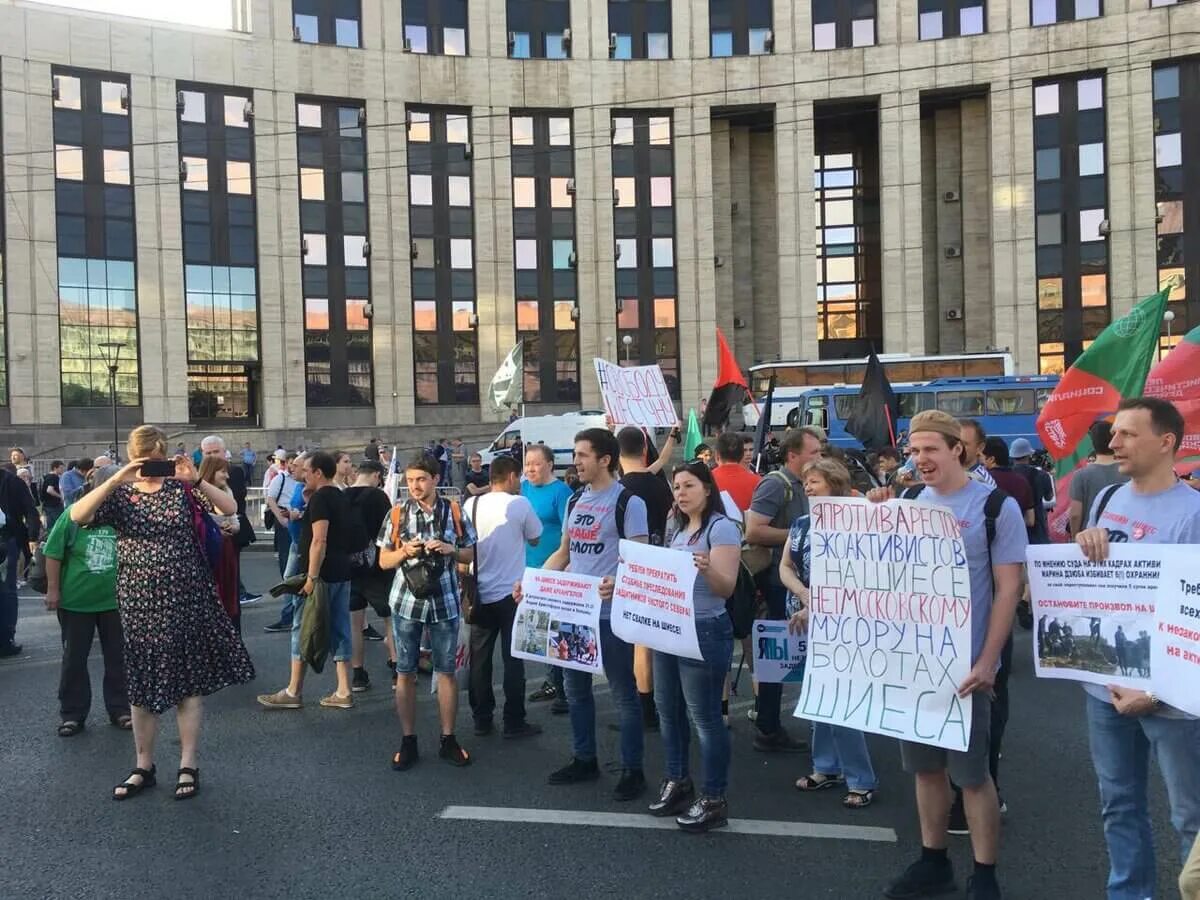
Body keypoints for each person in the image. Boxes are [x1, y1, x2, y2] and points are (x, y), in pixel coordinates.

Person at [877, 411, 1026, 900]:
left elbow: (1008, 590)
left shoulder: (994, 508)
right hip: (916, 666)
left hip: (967, 671)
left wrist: (988, 661)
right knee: (925, 770)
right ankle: (933, 860)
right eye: (914, 452)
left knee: (973, 778)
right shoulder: (909, 501)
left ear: (957, 449)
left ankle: (985, 875)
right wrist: (873, 515)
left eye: (930, 450)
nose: (920, 460)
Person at [69, 425, 253, 800]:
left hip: (187, 596)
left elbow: (230, 509)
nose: (153, 467)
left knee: (187, 684)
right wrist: (118, 477)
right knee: (140, 686)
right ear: (133, 457)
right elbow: (78, 515)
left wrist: (194, 479)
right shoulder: (120, 496)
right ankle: (143, 765)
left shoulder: (182, 489)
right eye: (145, 460)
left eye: (158, 460)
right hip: (139, 602)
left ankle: (188, 763)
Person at [1074, 397, 1200, 900]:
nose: (1113, 442)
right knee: (1118, 803)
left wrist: (1159, 689)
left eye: (1127, 434)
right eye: (1114, 433)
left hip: (1169, 695)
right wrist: (1085, 542)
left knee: (1189, 814)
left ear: (1166, 442)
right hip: (1106, 685)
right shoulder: (1107, 498)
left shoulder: (1193, 512)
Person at [534, 428, 650, 800]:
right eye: (576, 455)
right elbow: (564, 553)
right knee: (575, 689)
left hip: (610, 614)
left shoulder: (629, 503)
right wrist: (534, 584)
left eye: (583, 455)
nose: (576, 462)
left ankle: (633, 769)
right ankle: (584, 758)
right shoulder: (574, 502)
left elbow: (639, 560)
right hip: (575, 612)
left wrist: (617, 582)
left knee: (622, 692)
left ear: (605, 459)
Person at [781, 459, 878, 810]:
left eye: (815, 481)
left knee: (842, 704)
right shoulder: (801, 524)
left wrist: (817, 602)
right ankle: (826, 767)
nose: (808, 487)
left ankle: (861, 779)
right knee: (817, 697)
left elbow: (858, 578)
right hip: (806, 621)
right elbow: (786, 566)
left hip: (846, 626)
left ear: (835, 485)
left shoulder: (857, 524)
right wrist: (805, 596)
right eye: (806, 481)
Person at [650, 461, 739, 832]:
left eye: (688, 486)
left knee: (703, 719)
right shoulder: (678, 527)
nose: (681, 493)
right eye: (676, 487)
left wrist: (706, 569)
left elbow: (725, 588)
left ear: (706, 488)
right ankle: (679, 781)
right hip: (670, 628)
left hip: (704, 630)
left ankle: (714, 798)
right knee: (667, 710)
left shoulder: (722, 528)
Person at [378, 454, 477, 770]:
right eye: (409, 480)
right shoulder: (397, 514)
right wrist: (405, 551)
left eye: (421, 479)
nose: (415, 486)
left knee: (446, 671)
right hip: (407, 602)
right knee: (404, 672)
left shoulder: (455, 512)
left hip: (446, 601)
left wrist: (450, 550)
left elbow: (470, 553)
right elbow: (382, 561)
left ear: (435, 479)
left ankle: (448, 738)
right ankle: (408, 740)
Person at [258, 451, 357, 711]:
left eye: (306, 471)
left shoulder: (322, 498)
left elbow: (318, 539)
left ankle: (294, 690)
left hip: (320, 575)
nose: (302, 475)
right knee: (339, 628)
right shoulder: (340, 495)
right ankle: (344, 690)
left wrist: (311, 576)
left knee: (301, 627)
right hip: (341, 570)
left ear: (318, 473)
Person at [744, 426, 822, 752]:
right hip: (780, 585)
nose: (820, 457)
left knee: (793, 656)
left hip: (801, 584)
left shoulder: (805, 484)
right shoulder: (775, 485)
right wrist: (801, 536)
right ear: (793, 455)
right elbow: (754, 531)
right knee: (779, 657)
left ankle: (772, 723)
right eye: (814, 453)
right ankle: (768, 727)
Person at [44, 463, 128, 736]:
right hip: (76, 601)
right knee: (74, 659)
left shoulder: (124, 517)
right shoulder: (73, 514)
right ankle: (72, 713)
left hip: (116, 601)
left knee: (118, 658)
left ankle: (120, 709)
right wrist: (54, 589)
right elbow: (53, 553)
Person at [463, 455, 543, 738]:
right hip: (512, 593)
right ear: (510, 476)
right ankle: (514, 721)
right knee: (513, 660)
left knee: (480, 659)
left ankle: (482, 718)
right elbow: (535, 537)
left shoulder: (470, 504)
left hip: (479, 593)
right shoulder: (519, 504)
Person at [617, 425, 679, 731]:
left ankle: (645, 709)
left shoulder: (620, 492)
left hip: (632, 573)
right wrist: (670, 440)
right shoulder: (661, 484)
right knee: (664, 641)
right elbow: (656, 466)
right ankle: (668, 705)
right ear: (644, 450)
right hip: (665, 566)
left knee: (639, 645)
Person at [521, 445, 575, 714]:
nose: (530, 469)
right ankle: (552, 681)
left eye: (536, 464)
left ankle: (566, 688)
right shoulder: (524, 488)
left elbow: (571, 533)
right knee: (541, 629)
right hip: (529, 569)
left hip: (556, 570)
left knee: (559, 630)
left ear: (551, 465)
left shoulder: (562, 493)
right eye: (527, 463)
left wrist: (566, 565)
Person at [345, 460, 397, 692]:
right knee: (390, 619)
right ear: (377, 475)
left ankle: (358, 674)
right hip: (378, 566)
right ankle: (398, 667)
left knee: (356, 624)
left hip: (351, 566)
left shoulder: (343, 495)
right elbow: (390, 529)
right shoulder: (378, 497)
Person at [195, 456, 243, 632]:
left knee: (228, 594)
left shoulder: (226, 491)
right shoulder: (195, 493)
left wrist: (231, 527)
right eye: (222, 471)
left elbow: (234, 519)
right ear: (211, 471)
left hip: (225, 548)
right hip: (208, 550)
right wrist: (215, 527)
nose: (227, 476)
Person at [0, 462, 41, 657]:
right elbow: (30, 510)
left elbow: (31, 511)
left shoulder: (12, 482)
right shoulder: (13, 481)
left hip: (7, 540)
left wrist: (32, 537)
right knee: (6, 591)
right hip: (8, 540)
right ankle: (6, 639)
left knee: (6, 591)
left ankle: (6, 638)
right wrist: (32, 538)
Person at [1068, 420, 1128, 537]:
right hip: (1121, 537)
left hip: (1090, 540)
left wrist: (1076, 537)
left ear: (1093, 444)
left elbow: (1075, 514)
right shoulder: (1129, 472)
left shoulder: (1080, 475)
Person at [263, 452, 302, 630]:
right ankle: (288, 616)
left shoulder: (305, 483)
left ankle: (294, 615)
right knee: (289, 572)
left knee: (295, 573)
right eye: (291, 464)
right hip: (286, 525)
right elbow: (270, 499)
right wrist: (281, 518)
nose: (292, 467)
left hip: (299, 527)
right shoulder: (281, 479)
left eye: (296, 464)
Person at [982, 437, 1035, 529]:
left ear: (991, 459)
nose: (978, 461)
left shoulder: (982, 481)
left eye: (979, 456)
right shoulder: (1022, 481)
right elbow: (1030, 521)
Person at [1009, 438, 1053, 544]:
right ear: (1029, 455)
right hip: (1038, 531)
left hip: (1013, 530)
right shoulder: (1042, 475)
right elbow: (1049, 497)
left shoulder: (1007, 476)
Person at [712, 431, 761, 513]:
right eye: (745, 450)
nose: (748, 453)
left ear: (717, 455)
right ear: (742, 454)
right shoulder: (759, 482)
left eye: (751, 450)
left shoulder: (705, 480)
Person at [959, 419, 997, 487]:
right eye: (954, 442)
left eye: (964, 444)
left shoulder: (985, 483)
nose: (957, 447)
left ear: (980, 448)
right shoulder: (944, 474)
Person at [41, 460, 66, 532]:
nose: (62, 470)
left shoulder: (46, 476)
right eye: (61, 468)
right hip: (54, 505)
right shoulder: (53, 477)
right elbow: (49, 490)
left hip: (47, 504)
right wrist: (60, 496)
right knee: (58, 524)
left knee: (50, 525)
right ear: (55, 468)